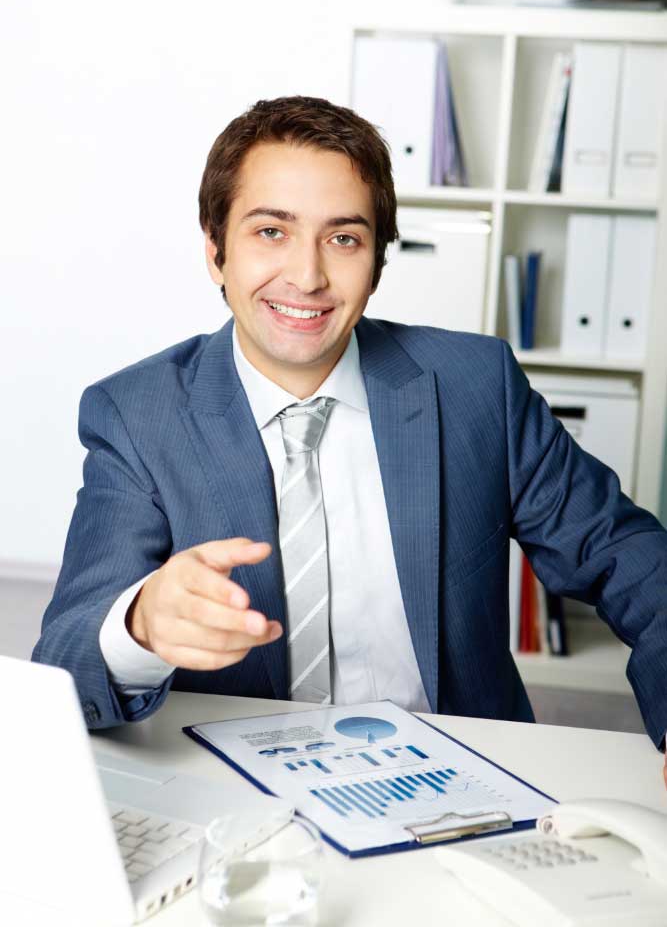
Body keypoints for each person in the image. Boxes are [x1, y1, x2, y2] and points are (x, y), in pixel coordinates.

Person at [33, 95, 667, 789]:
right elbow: (64, 659)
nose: (306, 276)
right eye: (270, 232)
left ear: (376, 260)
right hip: (233, 792)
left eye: (343, 238)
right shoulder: (137, 414)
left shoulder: (474, 386)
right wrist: (141, 626)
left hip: (457, 783)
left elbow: (630, 561)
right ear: (215, 250)